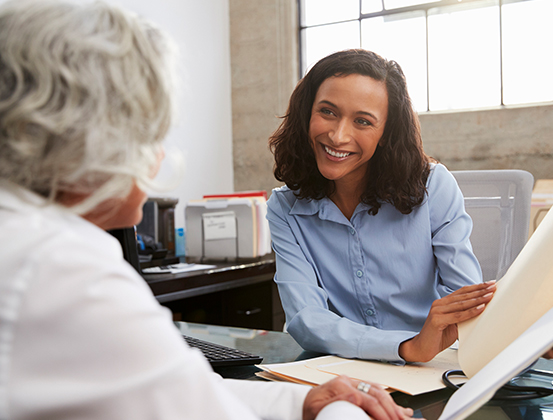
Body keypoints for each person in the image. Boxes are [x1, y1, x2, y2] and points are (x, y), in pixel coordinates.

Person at [0, 2, 416, 419]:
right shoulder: (63, 269)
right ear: (95, 139)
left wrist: (305, 400)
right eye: (152, 131)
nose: (158, 153)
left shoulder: (31, 240)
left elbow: (187, 391)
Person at [267, 49, 497, 364]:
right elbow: (306, 319)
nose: (338, 135)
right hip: (341, 369)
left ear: (386, 134)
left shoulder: (433, 186)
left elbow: (467, 302)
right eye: (328, 112)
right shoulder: (284, 208)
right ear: (307, 112)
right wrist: (405, 346)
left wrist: (425, 344)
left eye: (363, 121)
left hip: (432, 367)